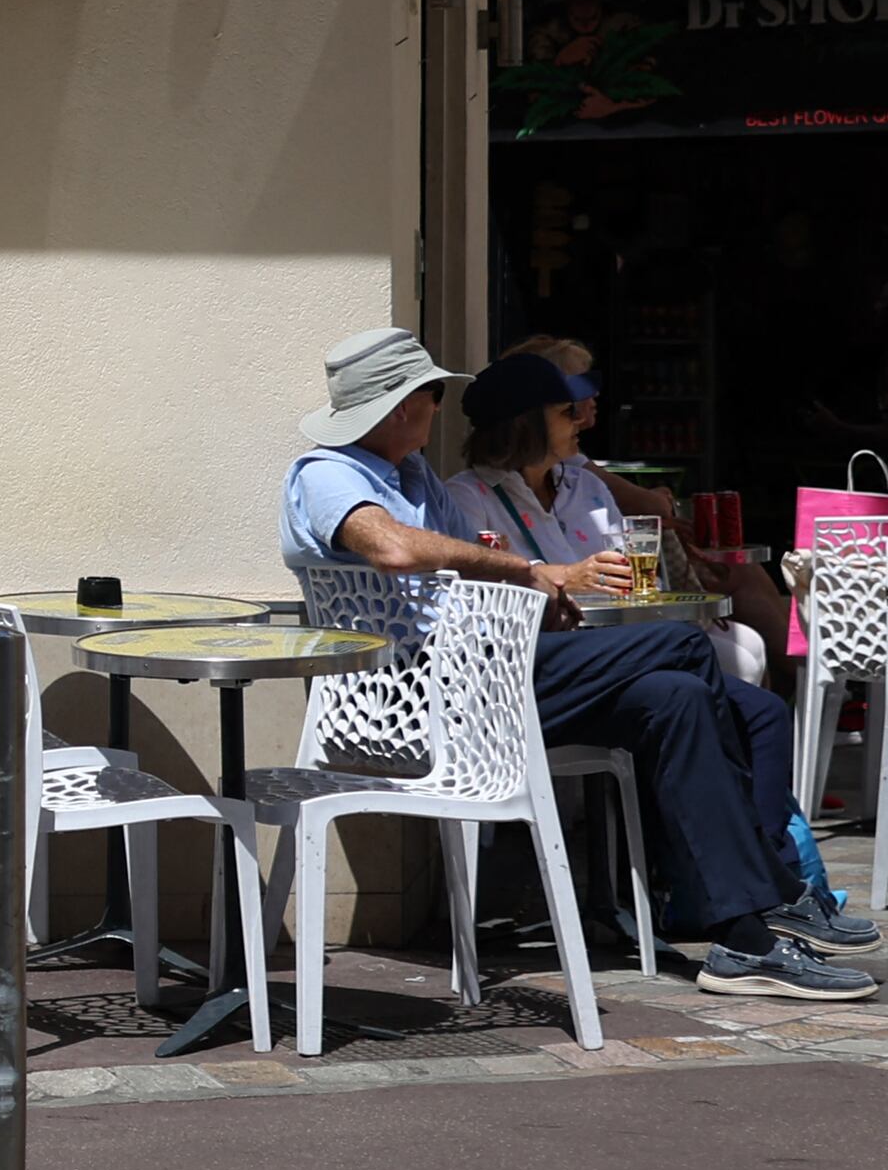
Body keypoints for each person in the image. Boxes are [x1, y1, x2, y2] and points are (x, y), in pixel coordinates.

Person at [283, 327, 870, 999]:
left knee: (676, 694)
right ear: (398, 407)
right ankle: (755, 885)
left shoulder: (413, 476)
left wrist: (524, 594)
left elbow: (458, 574)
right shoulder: (326, 474)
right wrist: (530, 572)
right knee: (683, 647)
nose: (440, 407)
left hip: (483, 668)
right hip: (422, 695)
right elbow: (392, 549)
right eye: (434, 394)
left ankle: (740, 936)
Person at [453, 337, 863, 928]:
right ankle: (770, 886)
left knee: (750, 709)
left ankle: (752, 887)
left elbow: (628, 578)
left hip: (611, 654)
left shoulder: (584, 487)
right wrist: (563, 586)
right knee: (693, 656)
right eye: (567, 411)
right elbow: (484, 608)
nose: (582, 419)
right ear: (525, 425)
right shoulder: (469, 501)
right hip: (539, 668)